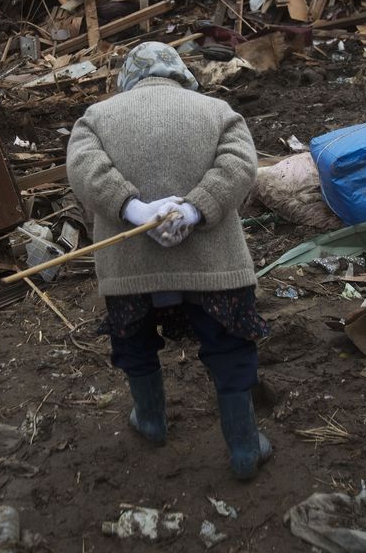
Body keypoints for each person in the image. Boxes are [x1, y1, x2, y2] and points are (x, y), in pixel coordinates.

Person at [66, 41, 271, 480]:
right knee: (229, 348)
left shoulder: (96, 118)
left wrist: (136, 211)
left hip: (129, 269)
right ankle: (244, 449)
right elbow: (240, 166)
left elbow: (84, 169)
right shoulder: (217, 111)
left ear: (127, 77)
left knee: (135, 343)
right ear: (181, 72)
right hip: (213, 265)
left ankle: (152, 422)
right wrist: (193, 210)